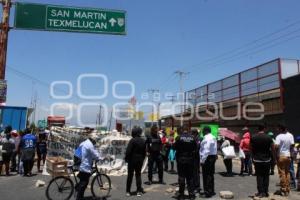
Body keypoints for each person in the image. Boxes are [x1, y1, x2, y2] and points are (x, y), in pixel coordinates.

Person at [251, 125, 275, 198]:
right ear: (264, 128)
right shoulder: (268, 137)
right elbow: (273, 148)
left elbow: (250, 147)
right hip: (267, 159)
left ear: (258, 129)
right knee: (266, 176)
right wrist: (274, 158)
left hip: (257, 159)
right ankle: (265, 192)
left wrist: (253, 154)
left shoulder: (253, 137)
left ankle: (260, 192)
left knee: (259, 176)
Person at [175, 126, 197, 200]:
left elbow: (174, 147)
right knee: (190, 177)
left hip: (181, 160)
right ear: (187, 130)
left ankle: (181, 195)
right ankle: (192, 195)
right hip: (190, 160)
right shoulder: (193, 138)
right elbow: (196, 149)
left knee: (181, 177)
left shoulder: (178, 138)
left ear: (182, 130)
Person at [274, 124, 295, 196]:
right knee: (287, 173)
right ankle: (288, 189)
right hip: (288, 156)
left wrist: (276, 155)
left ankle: (283, 189)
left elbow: (276, 146)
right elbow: (292, 145)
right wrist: (291, 154)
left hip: (281, 156)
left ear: (281, 129)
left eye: (279, 128)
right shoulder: (291, 135)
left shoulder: (279, 136)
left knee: (282, 173)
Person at [125, 127, 146, 197]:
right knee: (138, 175)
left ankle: (128, 191)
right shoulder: (143, 141)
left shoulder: (132, 140)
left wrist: (126, 158)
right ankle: (139, 191)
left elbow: (128, 151)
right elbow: (144, 152)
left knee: (130, 176)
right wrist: (142, 159)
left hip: (131, 160)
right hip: (140, 160)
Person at [200, 126, 217, 198]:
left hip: (207, 158)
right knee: (210, 175)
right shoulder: (213, 137)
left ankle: (207, 192)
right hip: (212, 157)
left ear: (205, 131)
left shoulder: (207, 138)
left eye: (203, 131)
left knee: (206, 175)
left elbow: (206, 150)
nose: (202, 132)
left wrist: (202, 160)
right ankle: (211, 190)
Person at [192, 129, 201, 193]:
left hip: (195, 158)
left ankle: (197, 187)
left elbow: (197, 148)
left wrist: (192, 152)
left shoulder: (197, 139)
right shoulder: (196, 138)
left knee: (195, 172)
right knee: (194, 172)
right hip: (195, 158)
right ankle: (194, 185)